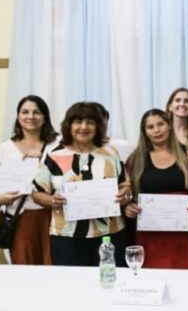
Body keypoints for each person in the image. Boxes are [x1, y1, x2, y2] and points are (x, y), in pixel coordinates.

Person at [31, 102, 130, 266]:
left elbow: (127, 187)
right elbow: (36, 193)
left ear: (98, 127)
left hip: (109, 234)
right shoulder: (54, 155)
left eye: (90, 122)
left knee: (111, 283)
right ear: (69, 126)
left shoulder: (111, 153)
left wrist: (125, 195)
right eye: (78, 122)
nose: (83, 127)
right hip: (67, 236)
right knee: (71, 286)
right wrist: (52, 201)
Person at [124, 109, 188, 269]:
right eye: (150, 127)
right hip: (150, 234)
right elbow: (127, 195)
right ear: (145, 133)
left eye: (160, 124)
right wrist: (128, 206)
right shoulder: (135, 159)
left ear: (169, 126)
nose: (157, 130)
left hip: (183, 233)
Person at [0, 95, 59, 265]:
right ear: (18, 116)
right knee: (23, 267)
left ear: (45, 117)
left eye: (37, 112)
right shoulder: (4, 149)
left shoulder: (58, 144)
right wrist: (1, 199)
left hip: (55, 214)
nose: (30, 116)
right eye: (25, 112)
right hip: (19, 215)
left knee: (54, 265)